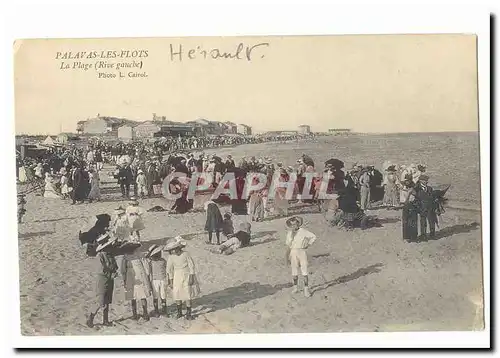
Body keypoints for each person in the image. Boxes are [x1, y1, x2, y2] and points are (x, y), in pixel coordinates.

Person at [86, 234, 119, 328]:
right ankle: (91, 318)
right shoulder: (100, 256)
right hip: (102, 280)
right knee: (100, 301)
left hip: (109, 280)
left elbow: (115, 266)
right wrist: (111, 273)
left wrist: (114, 271)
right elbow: (101, 270)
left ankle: (105, 320)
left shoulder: (110, 255)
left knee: (107, 300)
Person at [165, 236, 200, 320]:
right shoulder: (171, 257)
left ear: (179, 247)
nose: (175, 251)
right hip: (176, 275)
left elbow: (191, 265)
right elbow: (169, 270)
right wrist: (170, 281)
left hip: (186, 274)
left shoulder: (186, 254)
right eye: (173, 249)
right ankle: (179, 312)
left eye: (176, 248)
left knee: (187, 293)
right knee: (177, 293)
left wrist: (191, 276)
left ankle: (189, 313)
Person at [284, 216, 317, 298]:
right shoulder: (289, 233)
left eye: (295, 224)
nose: (294, 226)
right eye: (292, 225)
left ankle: (306, 289)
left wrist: (308, 244)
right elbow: (288, 245)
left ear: (298, 224)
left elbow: (313, 237)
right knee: (294, 271)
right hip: (293, 252)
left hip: (302, 252)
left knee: (304, 271)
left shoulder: (303, 231)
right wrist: (287, 257)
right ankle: (295, 287)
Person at [121, 244, 153, 321]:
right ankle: (143, 313)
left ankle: (136, 314)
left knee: (134, 296)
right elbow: (147, 268)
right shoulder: (140, 256)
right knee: (140, 295)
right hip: (138, 276)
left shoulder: (125, 257)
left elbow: (123, 271)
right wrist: (147, 277)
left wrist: (124, 279)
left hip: (132, 276)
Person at [145, 244, 169, 317]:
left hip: (156, 280)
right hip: (161, 279)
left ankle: (157, 311)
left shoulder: (151, 262)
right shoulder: (162, 260)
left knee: (157, 296)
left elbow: (149, 273)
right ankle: (162, 311)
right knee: (162, 296)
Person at [414, 175, 437, 239]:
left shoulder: (430, 188)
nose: (426, 181)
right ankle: (423, 235)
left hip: (430, 207)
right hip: (422, 208)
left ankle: (432, 234)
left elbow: (432, 197)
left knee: (431, 221)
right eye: (425, 180)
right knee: (423, 222)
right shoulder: (417, 188)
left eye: (426, 180)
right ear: (420, 181)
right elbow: (416, 199)